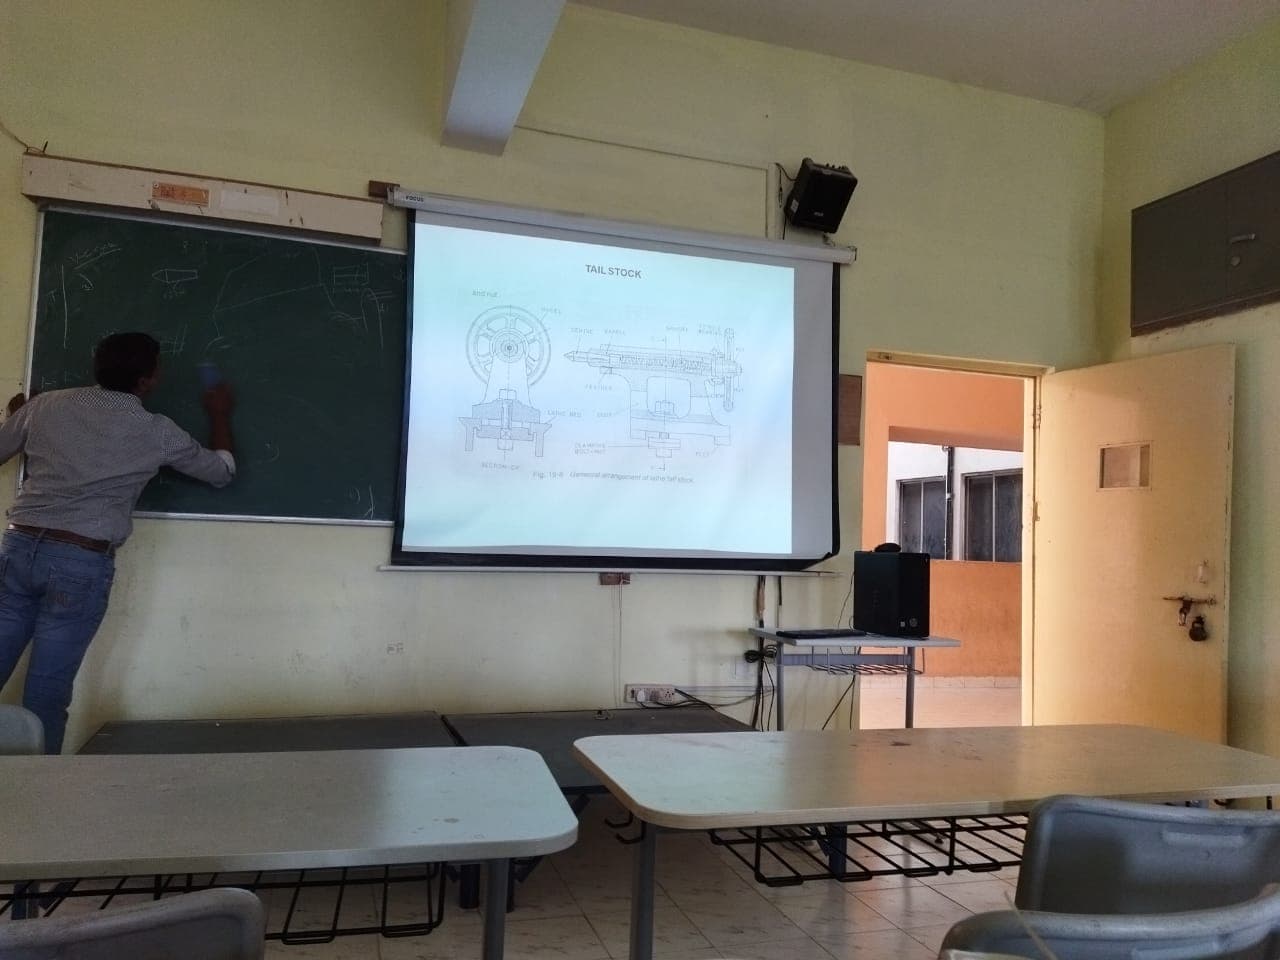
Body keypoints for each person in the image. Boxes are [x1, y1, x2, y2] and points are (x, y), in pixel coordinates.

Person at [0, 332, 235, 753]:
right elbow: (221, 473)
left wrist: (18, 418)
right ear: (146, 380)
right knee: (46, 694)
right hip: (79, 561)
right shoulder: (157, 431)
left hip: (18, 548)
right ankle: (38, 788)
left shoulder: (45, 405)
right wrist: (219, 415)